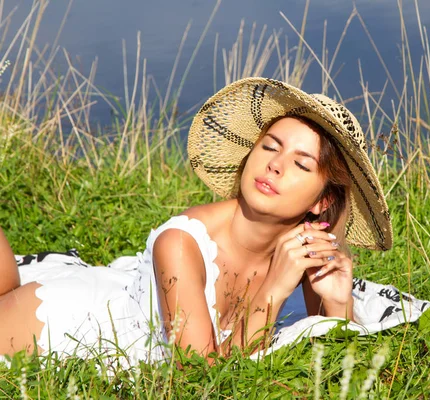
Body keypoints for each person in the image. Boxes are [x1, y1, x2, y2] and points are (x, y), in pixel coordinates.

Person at [0, 77, 392, 364]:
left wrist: (338, 303)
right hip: (55, 320)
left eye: (300, 164)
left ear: (322, 202)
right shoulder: (181, 242)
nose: (274, 165)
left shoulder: (305, 250)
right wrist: (274, 287)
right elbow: (198, 375)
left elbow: (335, 358)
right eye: (270, 146)